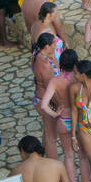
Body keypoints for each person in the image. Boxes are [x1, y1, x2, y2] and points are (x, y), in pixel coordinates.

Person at [38, 49, 90, 182]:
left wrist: (55, 114)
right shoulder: (78, 78)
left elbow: (43, 105)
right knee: (83, 155)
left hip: (63, 120)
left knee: (68, 155)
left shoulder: (55, 80)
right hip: (78, 121)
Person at [31, 32, 62, 166]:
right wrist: (61, 104)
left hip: (43, 97)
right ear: (47, 46)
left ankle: (41, 154)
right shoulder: (44, 63)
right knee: (51, 136)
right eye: (54, 43)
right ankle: (54, 166)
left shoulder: (40, 55)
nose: (56, 45)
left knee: (48, 129)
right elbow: (51, 87)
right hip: (47, 101)